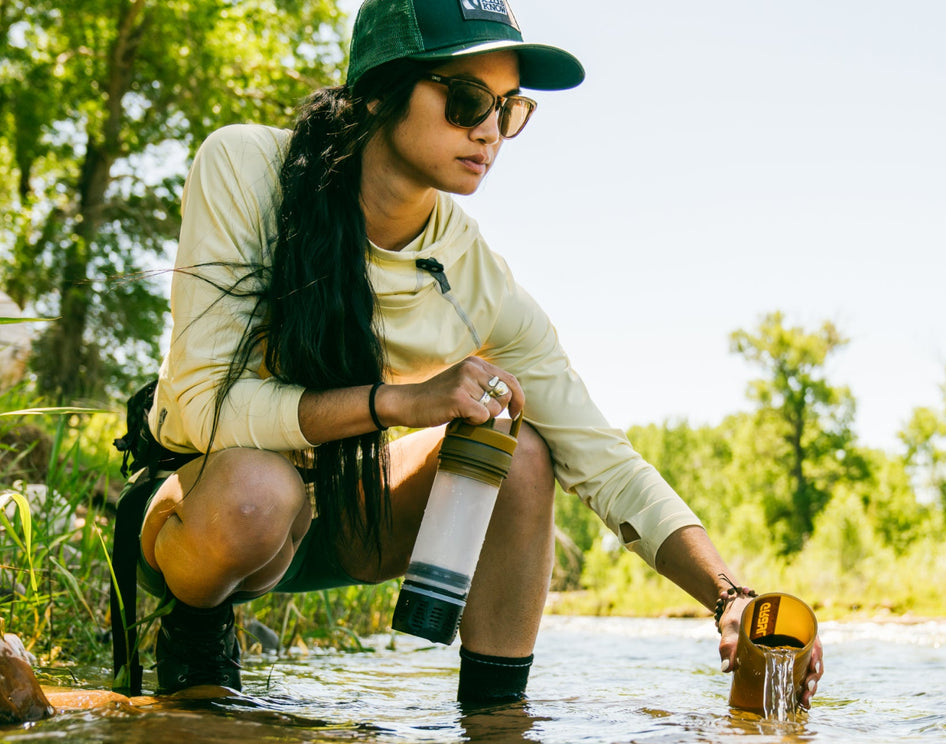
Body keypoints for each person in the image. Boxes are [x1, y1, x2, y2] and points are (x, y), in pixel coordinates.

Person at [136, 0, 824, 707]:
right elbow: (200, 410)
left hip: (346, 509)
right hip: (208, 512)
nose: (490, 132)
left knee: (523, 447)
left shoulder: (472, 273)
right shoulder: (247, 169)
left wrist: (730, 596)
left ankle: (494, 731)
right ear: (378, 90)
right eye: (467, 100)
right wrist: (398, 402)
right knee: (259, 494)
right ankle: (194, 625)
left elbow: (602, 458)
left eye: (509, 109)